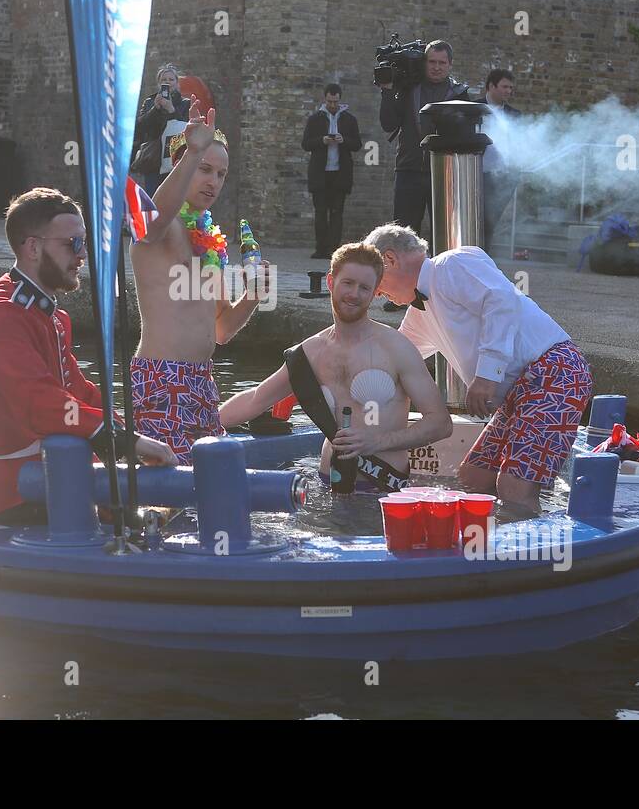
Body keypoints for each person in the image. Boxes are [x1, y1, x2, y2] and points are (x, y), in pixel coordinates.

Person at [0, 187, 175, 521]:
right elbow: (39, 403)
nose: (82, 255)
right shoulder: (0, 315)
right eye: (72, 244)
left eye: (84, 242)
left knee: (127, 498)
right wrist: (118, 440)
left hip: (18, 458)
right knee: (123, 513)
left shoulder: (47, 314)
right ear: (33, 247)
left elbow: (75, 388)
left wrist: (126, 433)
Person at [365, 223, 593, 515]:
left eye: (374, 281)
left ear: (390, 259)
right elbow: (394, 359)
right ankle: (483, 544)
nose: (375, 294)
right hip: (518, 391)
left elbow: (501, 301)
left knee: (514, 488)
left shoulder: (453, 263)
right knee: (474, 477)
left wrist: (488, 375)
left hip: (555, 371)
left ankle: (521, 557)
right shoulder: (419, 313)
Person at [220, 243, 451, 490]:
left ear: (375, 293)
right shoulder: (310, 351)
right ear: (331, 282)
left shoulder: (397, 348)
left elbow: (440, 423)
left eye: (364, 288)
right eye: (348, 283)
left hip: (383, 488)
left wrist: (378, 441)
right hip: (327, 483)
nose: (354, 294)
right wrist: (199, 425)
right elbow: (256, 399)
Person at [130, 100, 270, 463]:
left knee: (207, 488)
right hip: (162, 377)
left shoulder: (211, 240)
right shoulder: (162, 229)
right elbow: (150, 221)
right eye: (204, 169)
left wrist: (253, 297)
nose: (213, 181)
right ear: (181, 166)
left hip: (202, 381)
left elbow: (221, 330)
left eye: (221, 174)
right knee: (165, 493)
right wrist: (193, 149)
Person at [378, 39, 467, 309]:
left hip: (445, 171)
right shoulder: (408, 90)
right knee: (403, 234)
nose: (437, 67)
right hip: (409, 169)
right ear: (424, 63)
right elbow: (388, 123)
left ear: (450, 65)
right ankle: (400, 293)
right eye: (432, 62)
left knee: (447, 235)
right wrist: (387, 91)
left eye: (442, 63)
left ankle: (445, 294)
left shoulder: (460, 93)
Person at [301, 83, 363, 259]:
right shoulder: (315, 119)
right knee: (320, 213)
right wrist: (323, 140)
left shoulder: (349, 120)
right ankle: (320, 249)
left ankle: (333, 250)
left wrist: (344, 140)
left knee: (337, 213)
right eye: (330, 101)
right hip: (320, 174)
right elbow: (305, 144)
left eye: (335, 102)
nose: (333, 105)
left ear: (340, 100)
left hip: (340, 174)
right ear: (325, 99)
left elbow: (357, 144)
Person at [475, 69, 522, 246]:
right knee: (476, 220)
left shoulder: (515, 115)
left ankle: (484, 257)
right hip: (476, 173)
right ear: (491, 86)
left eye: (511, 88)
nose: (508, 91)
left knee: (490, 222)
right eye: (504, 87)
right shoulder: (473, 109)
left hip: (503, 177)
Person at [132, 63, 191, 194]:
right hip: (153, 158)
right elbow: (140, 127)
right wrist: (155, 109)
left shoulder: (185, 103)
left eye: (171, 79)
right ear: (159, 83)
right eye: (164, 80)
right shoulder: (150, 101)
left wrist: (171, 109)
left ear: (177, 82)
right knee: (153, 197)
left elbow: (186, 128)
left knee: (174, 196)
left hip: (174, 156)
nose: (168, 82)